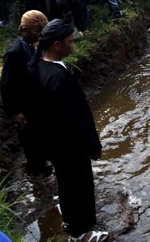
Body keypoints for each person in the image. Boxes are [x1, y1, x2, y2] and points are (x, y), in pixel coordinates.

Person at [29, 19, 108, 242]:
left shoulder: (38, 68)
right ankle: (83, 232)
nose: (73, 46)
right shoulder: (57, 77)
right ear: (57, 44)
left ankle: (72, 223)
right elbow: (77, 117)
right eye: (70, 42)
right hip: (70, 145)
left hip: (54, 143)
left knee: (67, 185)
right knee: (80, 186)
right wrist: (93, 145)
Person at [0, 11, 51, 175]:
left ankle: (42, 164)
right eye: (37, 32)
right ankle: (36, 172)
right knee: (30, 141)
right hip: (23, 106)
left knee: (39, 135)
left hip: (34, 101)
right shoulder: (14, 53)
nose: (40, 35)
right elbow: (6, 85)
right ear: (24, 30)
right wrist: (14, 112)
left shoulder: (32, 47)